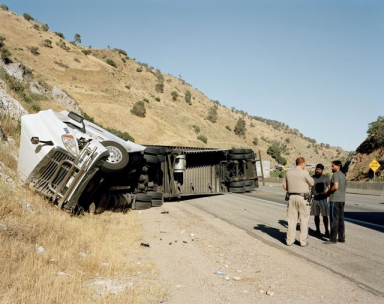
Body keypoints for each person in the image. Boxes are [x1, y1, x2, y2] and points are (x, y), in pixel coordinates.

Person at [283, 157, 314, 247]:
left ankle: (289, 240)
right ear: (303, 163)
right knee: (304, 219)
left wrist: (291, 190)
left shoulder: (288, 172)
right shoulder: (304, 172)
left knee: (291, 220)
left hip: (291, 197)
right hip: (302, 197)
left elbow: (284, 185)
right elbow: (312, 183)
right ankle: (303, 241)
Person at [324, 160, 347, 244]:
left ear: (338, 167)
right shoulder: (343, 175)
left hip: (335, 200)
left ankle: (333, 238)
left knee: (334, 219)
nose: (331, 167)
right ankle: (341, 238)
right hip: (342, 199)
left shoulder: (335, 175)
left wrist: (329, 192)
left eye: (333, 166)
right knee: (341, 219)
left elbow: (336, 186)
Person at [311, 164, 331, 237]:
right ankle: (317, 230)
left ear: (322, 170)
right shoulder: (312, 178)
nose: (317, 170)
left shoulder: (326, 178)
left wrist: (327, 193)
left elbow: (330, 187)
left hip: (323, 199)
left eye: (319, 169)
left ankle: (326, 231)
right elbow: (309, 186)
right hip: (315, 199)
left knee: (325, 216)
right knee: (316, 216)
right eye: (316, 169)